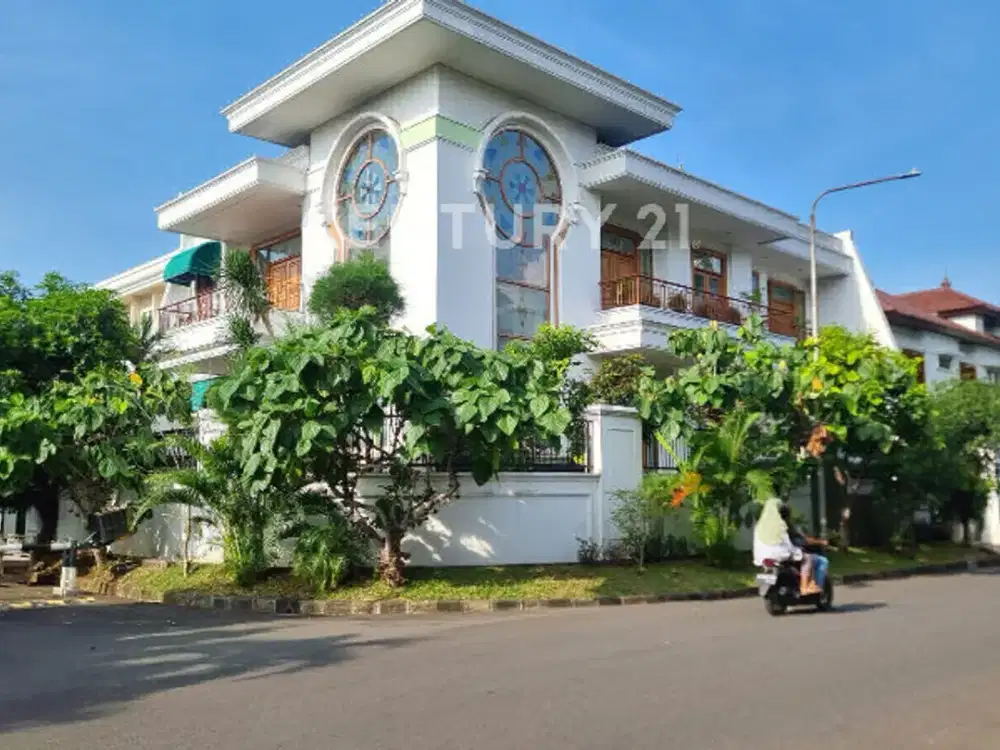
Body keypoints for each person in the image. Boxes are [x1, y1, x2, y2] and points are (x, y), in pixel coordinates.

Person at [779, 503, 828, 595]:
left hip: (774, 555)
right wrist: (821, 542)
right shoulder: (788, 526)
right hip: (790, 554)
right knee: (821, 561)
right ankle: (812, 587)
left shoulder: (771, 526)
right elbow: (803, 540)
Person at [753, 497, 800, 570]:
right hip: (778, 555)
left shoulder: (758, 526)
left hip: (760, 558)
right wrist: (797, 551)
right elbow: (788, 545)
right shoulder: (780, 524)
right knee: (807, 559)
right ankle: (805, 581)